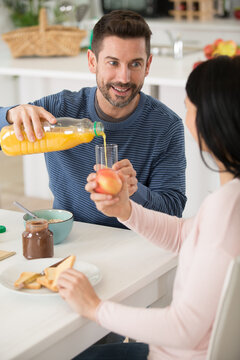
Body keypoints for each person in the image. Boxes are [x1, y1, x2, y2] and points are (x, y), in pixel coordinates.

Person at [57, 55, 240, 360]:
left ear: (211, 120)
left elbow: (183, 327)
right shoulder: (228, 201)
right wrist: (126, 211)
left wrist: (95, 308)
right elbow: (185, 236)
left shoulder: (226, 209)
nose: (185, 113)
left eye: (189, 106)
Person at [0, 10, 186, 229]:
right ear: (92, 61)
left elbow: (173, 210)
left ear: (147, 65)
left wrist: (135, 191)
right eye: (113, 63)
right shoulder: (58, 110)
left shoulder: (166, 126)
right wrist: (10, 114)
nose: (124, 78)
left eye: (135, 64)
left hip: (136, 241)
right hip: (72, 235)